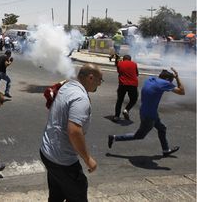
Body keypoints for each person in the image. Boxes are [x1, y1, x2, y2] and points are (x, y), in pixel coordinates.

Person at [40, 63, 103, 202]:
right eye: (100, 80)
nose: (100, 84)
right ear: (91, 78)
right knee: (78, 191)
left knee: (57, 192)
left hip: (47, 151)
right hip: (62, 159)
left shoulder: (67, 86)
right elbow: (74, 131)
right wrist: (88, 159)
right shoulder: (80, 99)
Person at [108, 68, 185, 156]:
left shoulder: (150, 79)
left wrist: (170, 76)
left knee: (162, 128)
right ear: (167, 80)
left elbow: (161, 80)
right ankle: (114, 138)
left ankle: (165, 150)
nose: (171, 83)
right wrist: (177, 77)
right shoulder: (164, 83)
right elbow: (182, 91)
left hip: (146, 111)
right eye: (171, 81)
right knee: (139, 136)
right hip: (149, 116)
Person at [113, 55, 139, 121]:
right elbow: (137, 74)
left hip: (123, 84)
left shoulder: (120, 63)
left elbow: (119, 70)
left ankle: (116, 116)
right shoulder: (134, 64)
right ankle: (126, 110)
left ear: (123, 59)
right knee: (133, 99)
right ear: (130, 59)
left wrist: (117, 60)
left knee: (120, 100)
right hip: (133, 84)